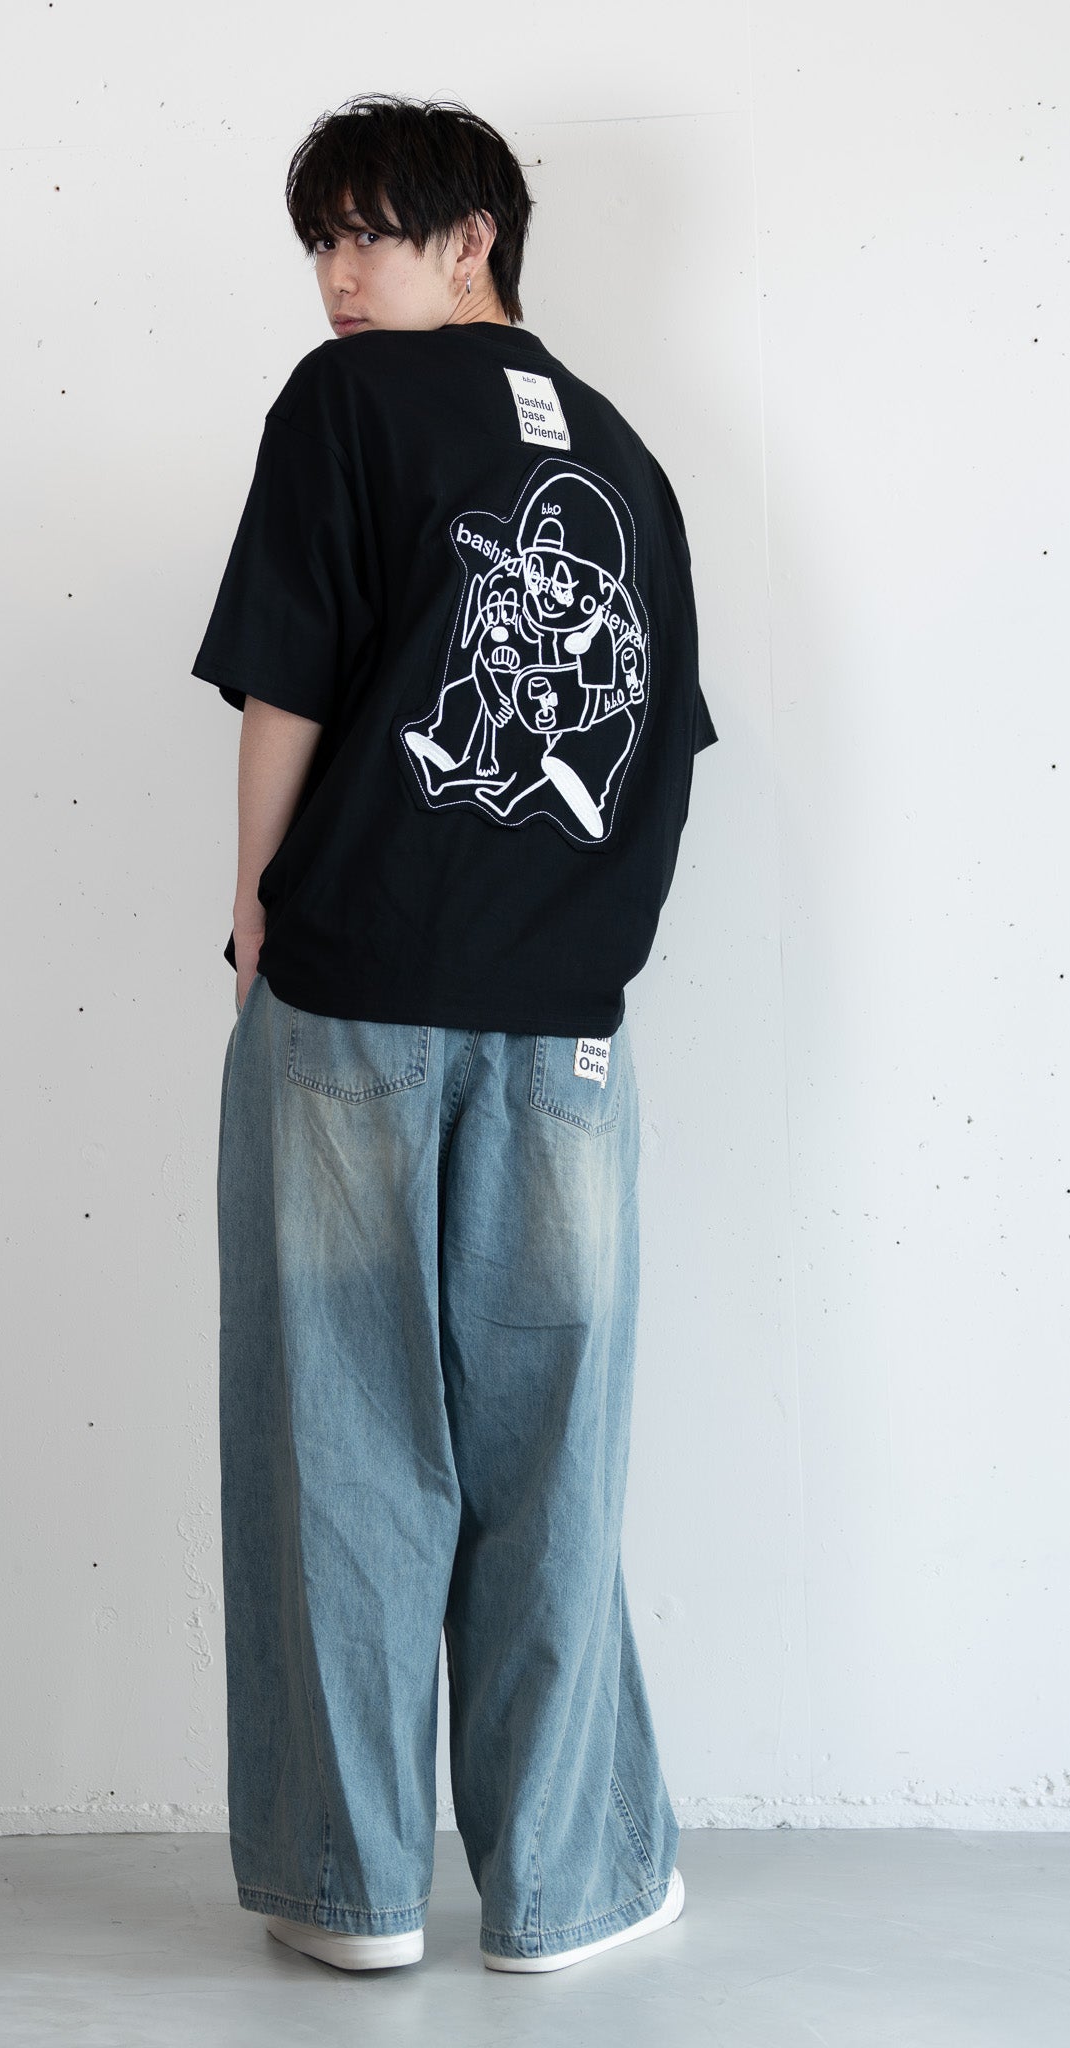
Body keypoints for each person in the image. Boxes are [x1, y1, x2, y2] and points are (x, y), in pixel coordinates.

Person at [189, 93, 718, 1975]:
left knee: (342, 1438)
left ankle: (351, 1896)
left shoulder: (344, 405)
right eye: (319, 242)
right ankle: (569, 1889)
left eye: (367, 232)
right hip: (564, 1030)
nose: (336, 277)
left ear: (473, 233)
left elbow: (286, 678)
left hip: (355, 998)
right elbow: (662, 747)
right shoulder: (631, 458)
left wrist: (254, 901)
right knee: (550, 1453)